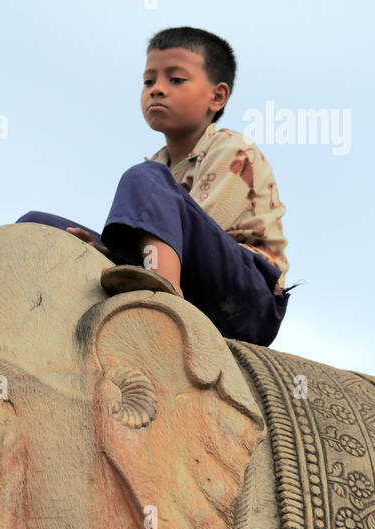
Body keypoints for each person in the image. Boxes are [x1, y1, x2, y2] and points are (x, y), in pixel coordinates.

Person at [17, 26, 290, 347]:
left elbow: (196, 233)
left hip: (247, 294)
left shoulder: (232, 149)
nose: (157, 89)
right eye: (149, 81)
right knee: (37, 225)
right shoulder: (160, 165)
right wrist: (101, 251)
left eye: (175, 80)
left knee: (143, 178)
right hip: (187, 275)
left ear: (217, 96)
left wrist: (116, 252)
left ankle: (164, 303)